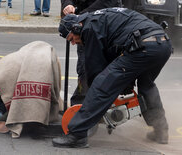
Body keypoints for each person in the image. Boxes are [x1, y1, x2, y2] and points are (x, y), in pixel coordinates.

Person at [53, 8, 172, 148]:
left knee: (101, 85)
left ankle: (77, 135)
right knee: (147, 86)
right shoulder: (99, 18)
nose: (73, 43)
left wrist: (96, 96)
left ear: (77, 28)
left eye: (71, 38)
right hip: (163, 45)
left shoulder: (89, 28)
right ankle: (161, 131)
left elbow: (95, 68)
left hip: (143, 46)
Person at [61, 0, 121, 106]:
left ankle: (92, 108)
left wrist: (81, 16)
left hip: (105, 21)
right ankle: (81, 106)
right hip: (82, 22)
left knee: (102, 69)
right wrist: (68, 5)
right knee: (85, 69)